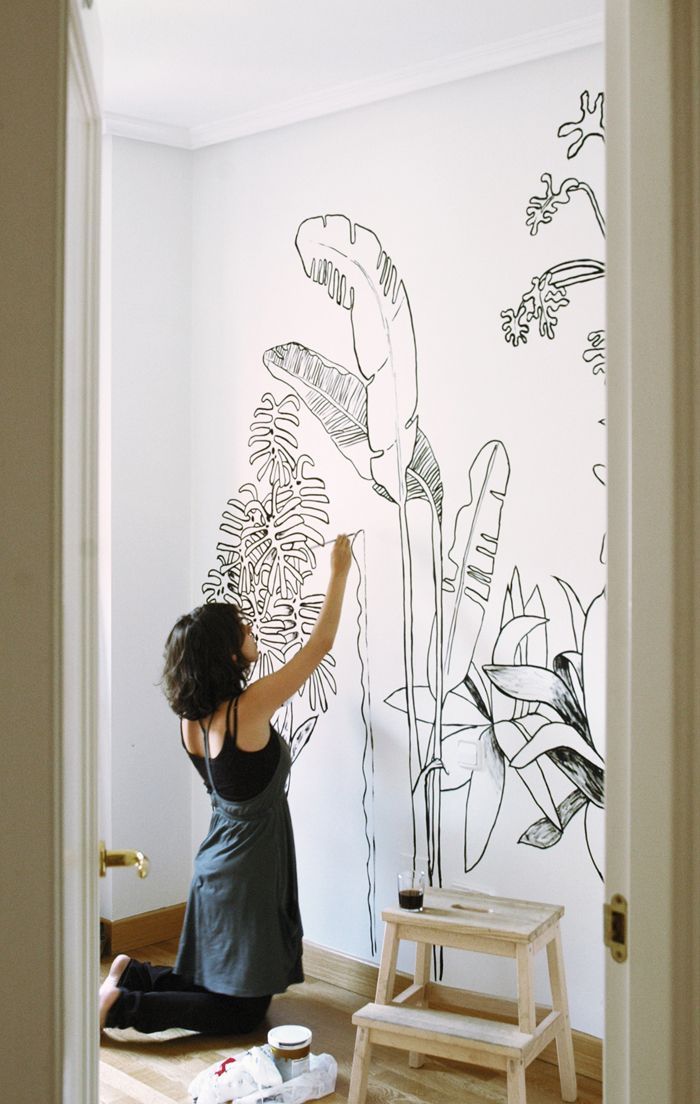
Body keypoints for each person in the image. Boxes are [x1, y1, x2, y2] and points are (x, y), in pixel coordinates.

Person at [99, 534, 352, 1035]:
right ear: (227, 654)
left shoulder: (192, 721)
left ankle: (136, 975)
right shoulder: (247, 710)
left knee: (218, 985)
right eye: (243, 629)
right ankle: (122, 1009)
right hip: (244, 875)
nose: (252, 629)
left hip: (216, 866)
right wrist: (339, 572)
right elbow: (319, 646)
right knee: (242, 1012)